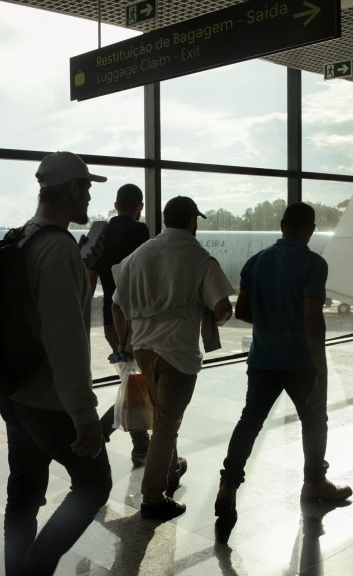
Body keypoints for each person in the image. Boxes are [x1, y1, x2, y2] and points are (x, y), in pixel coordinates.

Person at [0, 151, 112, 576]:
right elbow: (65, 341)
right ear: (70, 190)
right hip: (50, 401)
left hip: (14, 393)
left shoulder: (23, 238)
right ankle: (35, 571)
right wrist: (84, 416)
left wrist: (86, 269)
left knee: (24, 495)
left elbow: (42, 308)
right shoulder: (59, 248)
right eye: (85, 188)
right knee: (94, 484)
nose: (88, 198)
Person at [215, 202, 352, 523]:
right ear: (311, 229)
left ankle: (228, 485)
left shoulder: (255, 262)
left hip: (262, 359)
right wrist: (322, 369)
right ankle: (314, 483)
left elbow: (243, 312)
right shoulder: (313, 264)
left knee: (250, 421)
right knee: (315, 421)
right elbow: (312, 319)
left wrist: (270, 317)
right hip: (300, 362)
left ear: (281, 224)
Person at [112, 195, 234, 521]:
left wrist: (124, 342)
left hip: (142, 348)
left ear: (165, 219)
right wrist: (211, 315)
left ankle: (171, 468)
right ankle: (152, 497)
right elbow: (223, 309)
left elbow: (116, 304)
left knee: (163, 418)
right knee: (166, 424)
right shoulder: (198, 257)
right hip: (178, 353)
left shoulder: (139, 255)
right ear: (193, 221)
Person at [89, 183, 152, 464]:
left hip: (108, 318)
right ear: (140, 207)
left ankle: (140, 444)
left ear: (115, 206)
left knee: (131, 380)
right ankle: (103, 431)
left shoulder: (98, 232)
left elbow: (88, 277)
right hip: (135, 318)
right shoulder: (140, 232)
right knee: (135, 381)